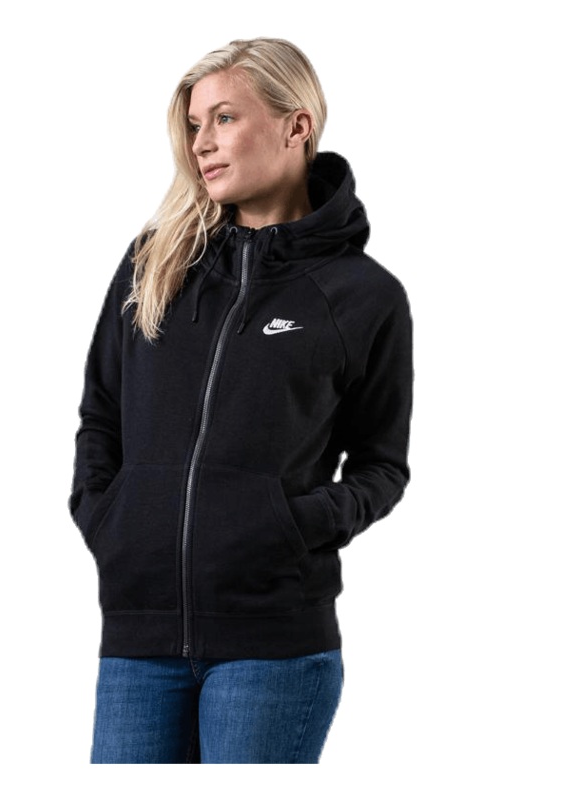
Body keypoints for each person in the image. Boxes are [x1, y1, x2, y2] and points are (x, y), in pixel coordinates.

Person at [68, 37, 414, 764]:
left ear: (297, 125)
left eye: (224, 118)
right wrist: (109, 517)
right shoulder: (154, 263)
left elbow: (381, 466)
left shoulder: (363, 296)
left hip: (273, 647)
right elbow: (101, 411)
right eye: (196, 124)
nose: (202, 143)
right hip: (138, 638)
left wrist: (288, 526)